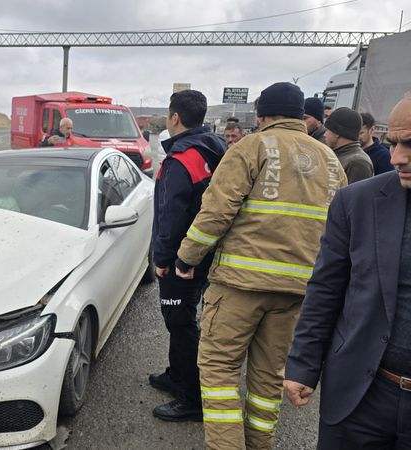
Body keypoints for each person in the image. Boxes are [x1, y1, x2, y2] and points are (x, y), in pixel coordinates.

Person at [174, 82, 347, 449]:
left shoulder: (250, 148)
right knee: (268, 380)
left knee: (219, 371)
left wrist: (186, 258)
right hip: (298, 292)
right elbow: (340, 230)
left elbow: (216, 212)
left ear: (262, 115)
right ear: (302, 117)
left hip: (240, 286)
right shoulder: (331, 161)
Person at [284, 95, 411, 448]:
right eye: (393, 143)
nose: (398, 157)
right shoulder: (357, 202)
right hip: (363, 397)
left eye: (410, 144)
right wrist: (303, 364)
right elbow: (326, 287)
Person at [150, 89, 226, 422]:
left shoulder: (182, 158)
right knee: (180, 320)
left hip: (184, 257)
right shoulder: (215, 148)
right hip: (206, 250)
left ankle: (192, 398)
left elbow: (171, 215)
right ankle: (177, 374)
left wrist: (163, 259)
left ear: (175, 117)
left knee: (180, 322)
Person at [325, 107, 373, 183]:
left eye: (328, 130)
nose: (325, 134)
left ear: (337, 132)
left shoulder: (358, 163)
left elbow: (356, 194)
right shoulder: (337, 154)